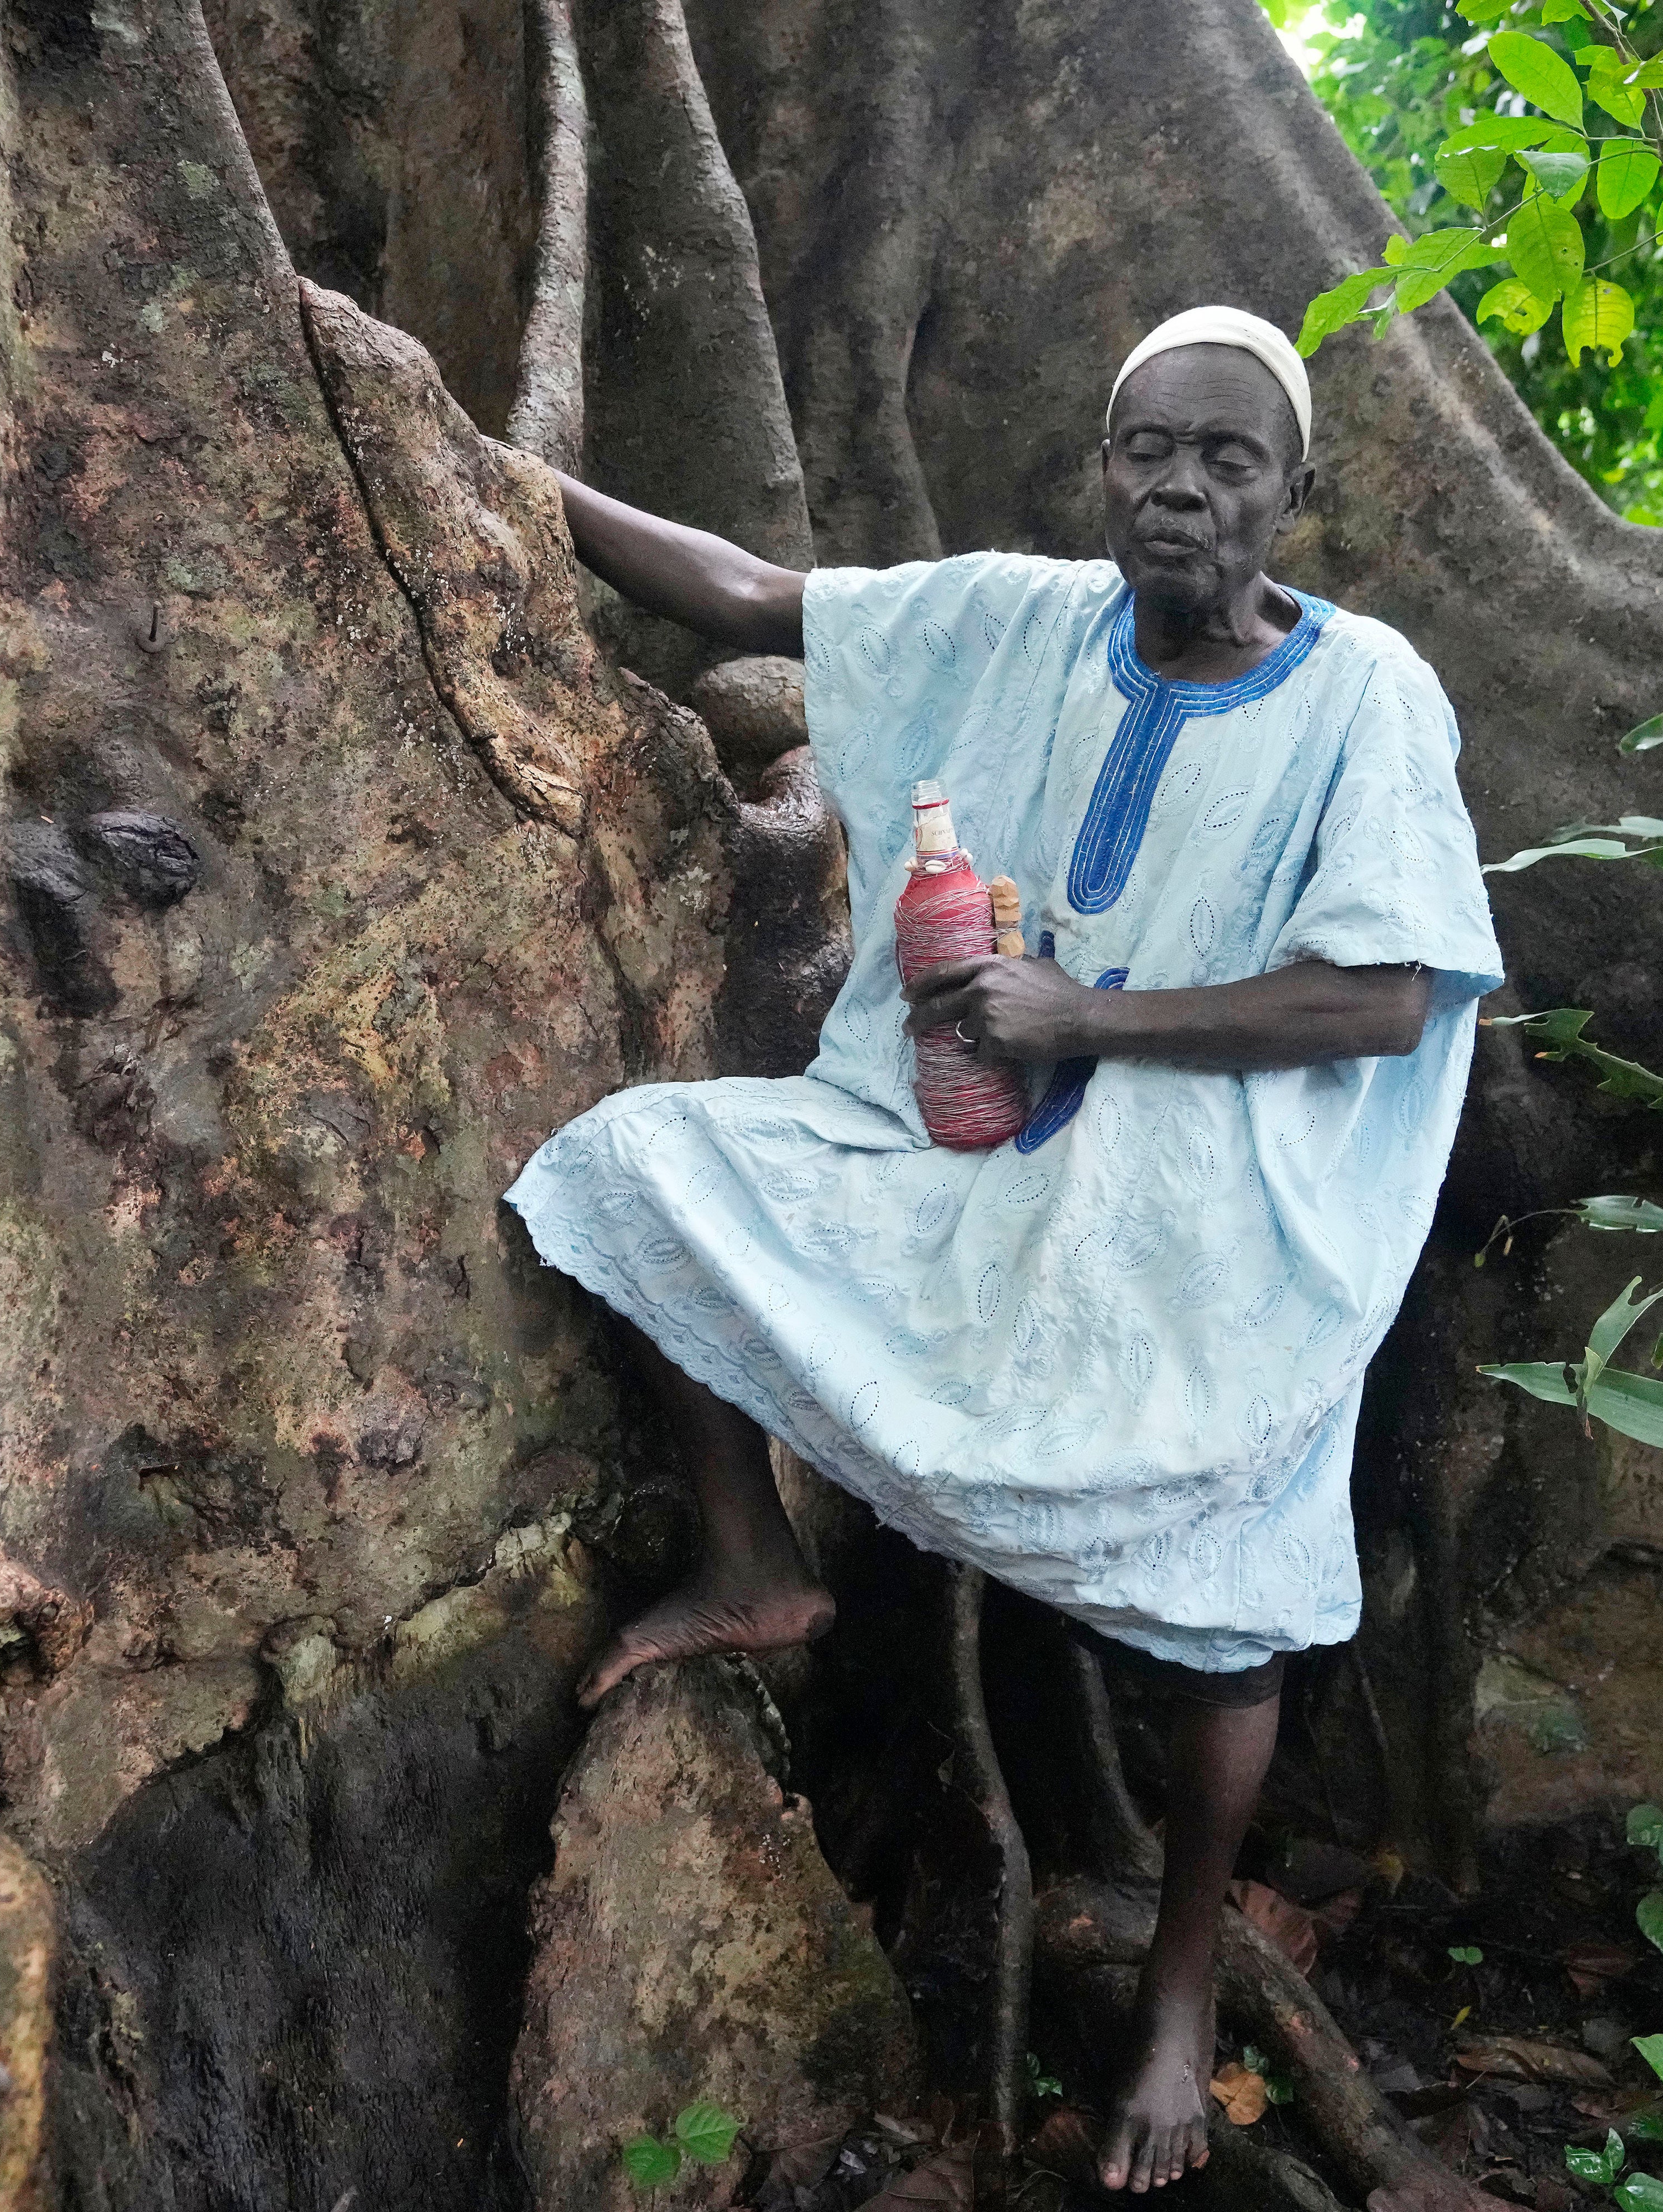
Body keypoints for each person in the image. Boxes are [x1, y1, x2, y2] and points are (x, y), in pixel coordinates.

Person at [507, 305, 1503, 2193]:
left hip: (1217, 1212)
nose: (1184, 490)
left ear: (1298, 491)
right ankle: (754, 1559)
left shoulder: (1369, 692)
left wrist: (1092, 1023)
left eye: (1228, 460)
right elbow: (739, 593)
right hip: (967, 1147)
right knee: (639, 1172)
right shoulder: (1028, 616)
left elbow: (1383, 992)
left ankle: (1186, 1999)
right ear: (1104, 462)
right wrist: (493, 465)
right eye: (1152, 450)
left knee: (1229, 1609)